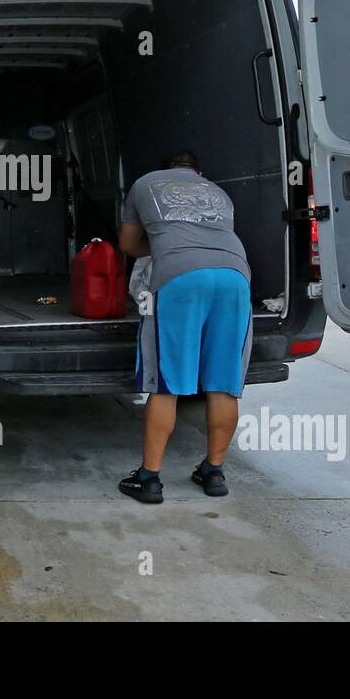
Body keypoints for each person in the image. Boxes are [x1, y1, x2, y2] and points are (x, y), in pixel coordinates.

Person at [115, 150, 251, 504]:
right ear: (198, 172)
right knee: (224, 382)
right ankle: (214, 471)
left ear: (167, 169)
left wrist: (162, 246)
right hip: (235, 276)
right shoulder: (218, 192)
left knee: (167, 383)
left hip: (180, 277)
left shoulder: (145, 183)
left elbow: (128, 245)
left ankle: (149, 478)